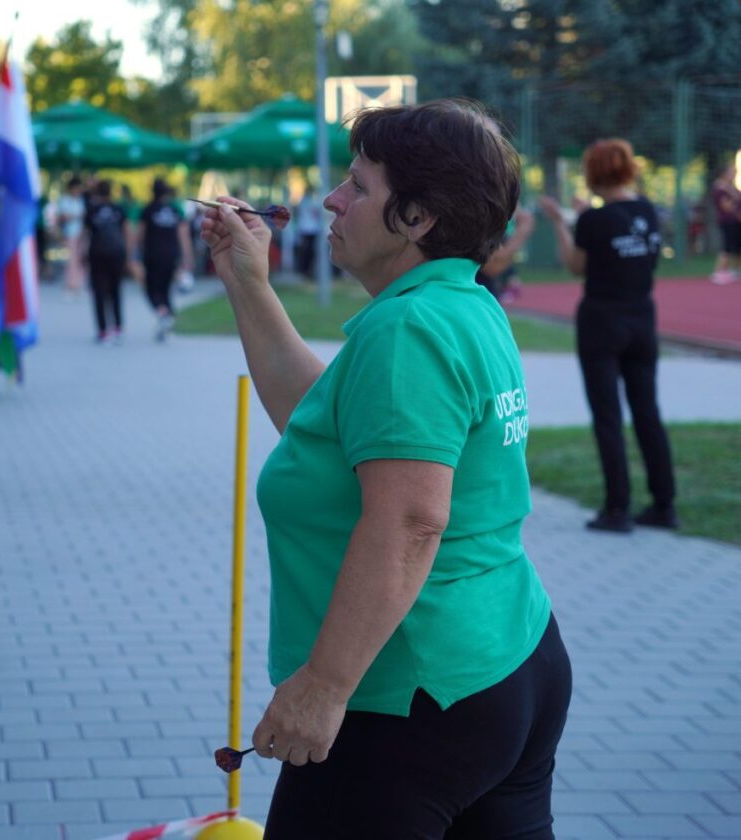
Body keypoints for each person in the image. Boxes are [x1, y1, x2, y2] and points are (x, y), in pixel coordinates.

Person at [199, 100, 571, 838]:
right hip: (509, 660)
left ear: (417, 218)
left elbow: (410, 520)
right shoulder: (462, 304)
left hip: (407, 694)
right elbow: (325, 427)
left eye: (359, 186)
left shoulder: (409, 329)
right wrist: (248, 281)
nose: (331, 200)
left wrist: (323, 685)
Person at [538, 138, 677, 534]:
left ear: (593, 174)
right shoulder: (647, 210)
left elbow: (575, 266)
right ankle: (664, 505)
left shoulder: (593, 220)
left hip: (601, 321)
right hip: (642, 318)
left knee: (608, 416)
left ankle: (617, 509)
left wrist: (560, 223)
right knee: (647, 411)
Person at [137, 178, 194, 341]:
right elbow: (183, 235)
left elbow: (141, 234)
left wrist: (137, 252)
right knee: (166, 289)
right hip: (171, 255)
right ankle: (167, 318)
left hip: (153, 255)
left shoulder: (148, 210)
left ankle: (163, 313)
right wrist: (187, 256)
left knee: (152, 289)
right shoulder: (174, 210)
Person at [82, 180, 132, 344]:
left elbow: (84, 234)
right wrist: (128, 254)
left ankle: (103, 330)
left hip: (97, 252)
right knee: (116, 290)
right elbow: (127, 231)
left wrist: (82, 254)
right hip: (116, 252)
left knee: (99, 292)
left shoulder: (92, 210)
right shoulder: (119, 209)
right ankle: (118, 327)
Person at [477, 207, 536, 302]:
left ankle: (512, 283)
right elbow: (493, 267)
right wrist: (523, 230)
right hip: (475, 299)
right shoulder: (481, 215)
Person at [709, 164, 741, 284]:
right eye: (731, 172)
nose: (734, 174)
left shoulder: (730, 187)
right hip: (727, 220)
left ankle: (737, 269)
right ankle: (719, 271)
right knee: (727, 246)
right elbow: (726, 206)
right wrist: (736, 202)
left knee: (737, 246)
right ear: (724, 173)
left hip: (737, 220)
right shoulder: (720, 188)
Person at [57, 177, 87, 296]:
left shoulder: (81, 200)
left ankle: (79, 283)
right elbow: (63, 217)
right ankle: (70, 284)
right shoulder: (65, 200)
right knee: (71, 259)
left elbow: (82, 216)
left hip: (80, 234)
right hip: (70, 233)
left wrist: (74, 216)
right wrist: (76, 216)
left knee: (80, 259)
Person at [294, 185, 324, 277]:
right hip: (311, 229)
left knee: (306, 250)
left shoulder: (303, 201)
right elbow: (316, 214)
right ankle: (306, 269)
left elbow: (297, 212)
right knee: (309, 251)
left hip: (306, 228)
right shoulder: (312, 201)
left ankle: (305, 269)